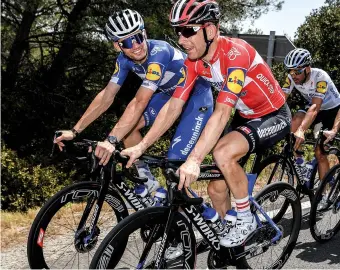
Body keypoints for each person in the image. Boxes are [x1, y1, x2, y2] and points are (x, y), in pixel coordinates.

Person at [121, 0, 291, 247]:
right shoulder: (194, 62)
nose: (181, 39)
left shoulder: (236, 54)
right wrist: (141, 146)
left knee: (222, 152)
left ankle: (247, 221)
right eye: (178, 32)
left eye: (188, 30)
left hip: (273, 114)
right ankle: (230, 242)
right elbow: (173, 106)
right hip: (245, 116)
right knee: (216, 190)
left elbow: (221, 114)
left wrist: (194, 160)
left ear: (210, 30)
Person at [54, 9, 213, 193]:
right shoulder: (123, 60)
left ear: (144, 33)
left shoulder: (159, 52)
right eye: (127, 42)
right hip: (170, 94)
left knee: (174, 163)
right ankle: (147, 182)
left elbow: (140, 101)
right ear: (117, 46)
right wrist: (75, 131)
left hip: (196, 96)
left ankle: (203, 216)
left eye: (138, 37)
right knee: (128, 129)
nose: (136, 45)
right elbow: (107, 96)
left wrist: (111, 141)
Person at [282, 48, 340, 209]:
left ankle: (323, 194)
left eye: (297, 72)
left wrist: (302, 130)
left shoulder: (320, 77)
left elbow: (315, 107)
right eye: (290, 71)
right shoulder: (291, 77)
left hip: (331, 110)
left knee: (320, 153)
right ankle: (299, 160)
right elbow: (280, 98)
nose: (294, 75)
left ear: (308, 68)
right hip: (313, 107)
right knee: (293, 123)